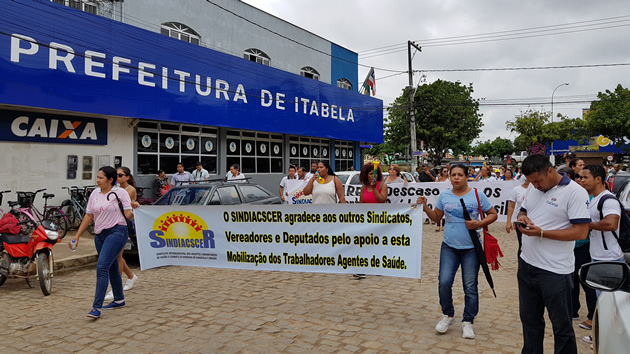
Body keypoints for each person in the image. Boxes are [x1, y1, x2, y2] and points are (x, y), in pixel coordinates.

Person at [515, 154, 590, 354]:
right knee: (530, 322)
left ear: (550, 170)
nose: (535, 186)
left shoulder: (575, 192)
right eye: (531, 182)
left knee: (562, 327)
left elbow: (581, 231)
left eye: (538, 181)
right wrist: (523, 219)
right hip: (527, 264)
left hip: (555, 271)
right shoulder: (533, 186)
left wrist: (541, 233)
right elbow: (523, 211)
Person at [417, 164, 498, 339]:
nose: (456, 178)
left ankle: (468, 321)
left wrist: (479, 224)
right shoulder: (444, 196)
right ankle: (448, 315)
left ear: (466, 176)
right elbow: (437, 217)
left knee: (470, 286)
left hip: (471, 249)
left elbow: (493, 214)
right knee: (444, 282)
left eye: (460, 174)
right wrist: (424, 207)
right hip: (449, 247)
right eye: (453, 174)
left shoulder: (477, 195)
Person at [68, 166, 136, 319]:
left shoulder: (120, 193)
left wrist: (134, 209)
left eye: (101, 178)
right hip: (99, 234)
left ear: (110, 180)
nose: (97, 180)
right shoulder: (95, 194)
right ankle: (119, 299)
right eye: (97, 177)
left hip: (117, 231)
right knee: (111, 266)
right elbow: (88, 216)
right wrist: (77, 236)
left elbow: (128, 215)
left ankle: (96, 307)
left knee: (102, 267)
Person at [577, 164, 626, 344]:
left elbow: (611, 223)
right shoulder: (595, 198)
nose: (581, 180)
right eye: (580, 177)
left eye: (584, 177)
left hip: (610, 258)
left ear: (598, 179)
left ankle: (606, 339)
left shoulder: (608, 200)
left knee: (609, 302)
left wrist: (586, 225)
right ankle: (602, 336)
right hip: (599, 257)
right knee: (603, 302)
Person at [104, 167, 139, 301]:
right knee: (117, 255)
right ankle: (130, 276)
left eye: (120, 175)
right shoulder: (115, 189)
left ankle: (115, 288)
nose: (118, 178)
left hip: (124, 224)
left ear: (127, 177)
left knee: (117, 256)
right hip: (113, 223)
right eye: (116, 175)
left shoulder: (129, 190)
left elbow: (115, 202)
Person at [354, 163, 388, 279]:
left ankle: (378, 265)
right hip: (366, 219)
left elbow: (382, 200)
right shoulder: (363, 187)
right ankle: (362, 269)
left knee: (377, 244)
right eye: (370, 174)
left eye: (375, 174)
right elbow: (361, 204)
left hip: (378, 219)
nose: (373, 176)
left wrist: (374, 189)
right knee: (364, 244)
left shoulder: (382, 185)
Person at [505, 178, 530, 256]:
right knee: (522, 245)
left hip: (534, 221)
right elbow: (511, 206)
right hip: (521, 222)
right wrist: (508, 222)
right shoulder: (516, 190)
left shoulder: (537, 189)